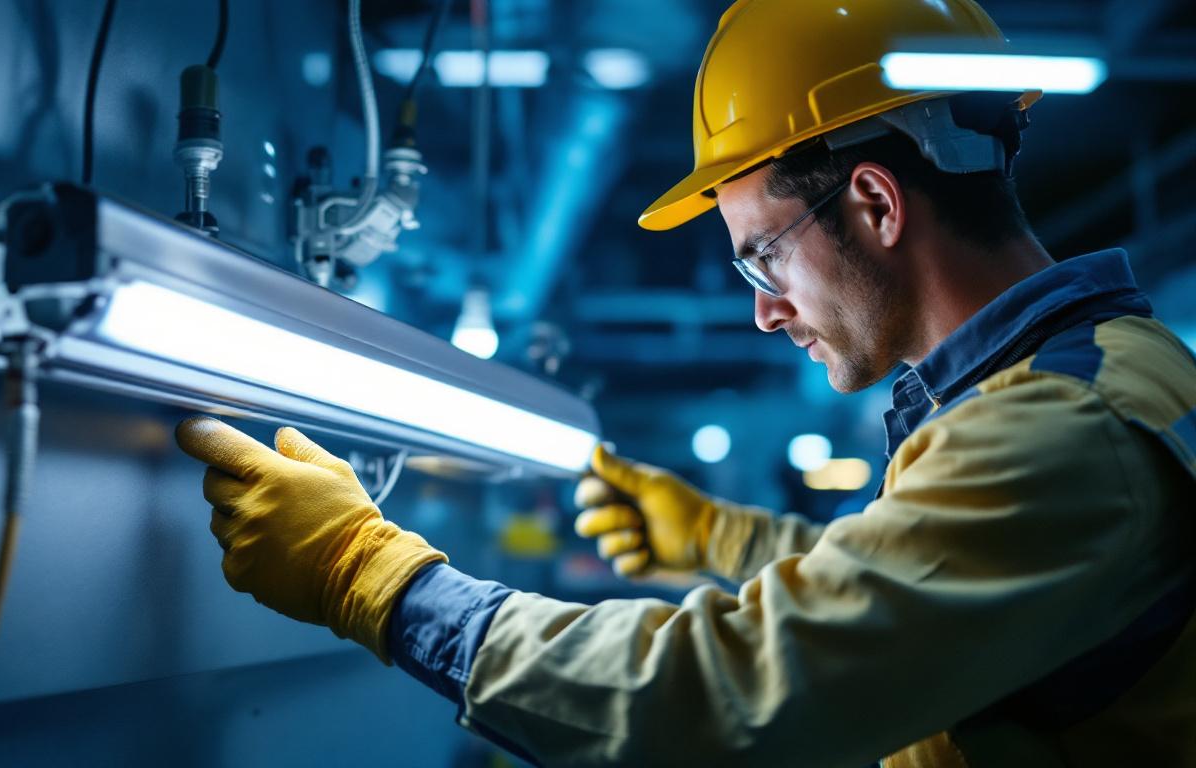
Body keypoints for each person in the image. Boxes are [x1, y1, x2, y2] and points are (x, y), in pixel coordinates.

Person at [174, 0, 1196, 764]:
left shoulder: (1063, 428)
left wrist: (376, 577)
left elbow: (732, 693)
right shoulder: (1091, 381)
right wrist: (714, 540)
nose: (763, 308)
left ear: (876, 204)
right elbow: (917, 589)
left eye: (763, 257)